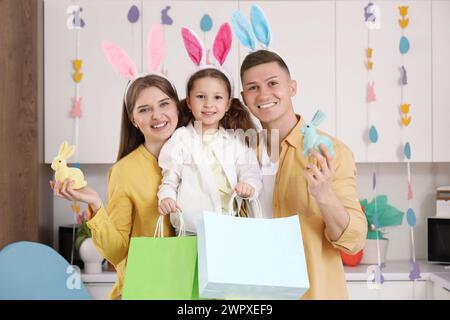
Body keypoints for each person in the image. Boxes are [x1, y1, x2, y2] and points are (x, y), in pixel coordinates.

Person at [239, 49, 368, 299]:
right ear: (244, 98)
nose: (264, 94)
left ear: (292, 88)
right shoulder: (242, 155)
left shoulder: (329, 152)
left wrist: (324, 195)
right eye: (253, 88)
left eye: (273, 83)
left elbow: (355, 240)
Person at [51, 74, 183, 300]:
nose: (157, 115)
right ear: (133, 119)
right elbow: (116, 251)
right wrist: (95, 204)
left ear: (177, 108)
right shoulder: (125, 171)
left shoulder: (202, 157)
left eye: (164, 104)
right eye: (144, 109)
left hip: (194, 290)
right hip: (149, 291)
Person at [157, 66, 263, 234]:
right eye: (200, 97)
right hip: (190, 230)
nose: (208, 104)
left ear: (228, 104)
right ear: (189, 102)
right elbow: (170, 180)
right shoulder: (180, 139)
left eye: (217, 97)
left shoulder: (235, 141)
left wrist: (249, 185)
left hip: (229, 228)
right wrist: (166, 198)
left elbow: (251, 172)